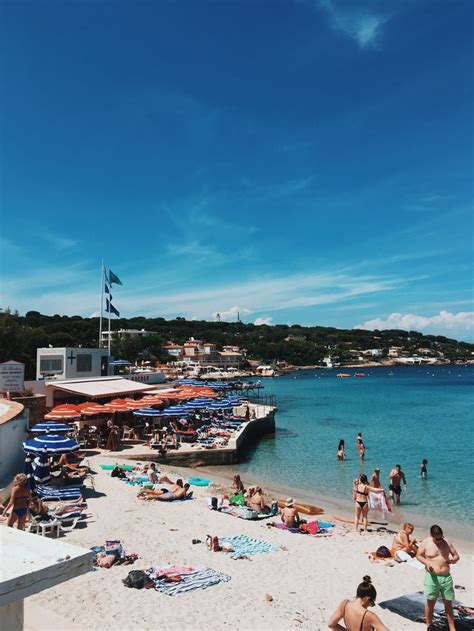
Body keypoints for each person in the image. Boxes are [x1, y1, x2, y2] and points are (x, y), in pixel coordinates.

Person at [416, 524, 460, 631]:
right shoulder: (426, 542)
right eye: (437, 539)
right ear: (432, 535)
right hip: (432, 577)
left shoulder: (446, 542)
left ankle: (452, 627)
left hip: (446, 577)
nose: (440, 540)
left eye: (441, 537)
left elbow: (456, 555)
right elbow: (418, 555)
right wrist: (427, 563)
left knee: (448, 602)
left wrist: (454, 560)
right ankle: (429, 625)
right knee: (431, 602)